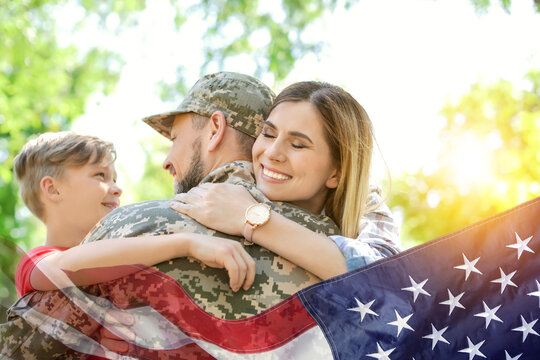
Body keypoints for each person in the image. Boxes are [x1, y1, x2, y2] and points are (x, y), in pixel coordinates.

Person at [1, 73, 397, 358]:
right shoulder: (345, 237)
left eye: (174, 139)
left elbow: (23, 341)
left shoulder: (138, 228)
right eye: (269, 134)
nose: (167, 161)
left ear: (214, 130)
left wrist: (252, 219)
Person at [13, 131, 257, 300]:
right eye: (100, 175)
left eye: (115, 179)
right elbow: (66, 266)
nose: (117, 188)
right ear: (53, 189)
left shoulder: (120, 256)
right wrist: (188, 243)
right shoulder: (34, 262)